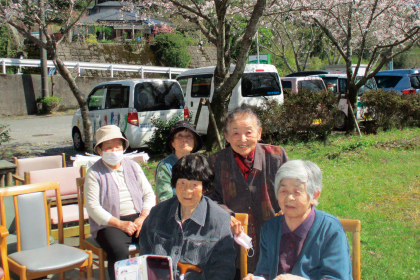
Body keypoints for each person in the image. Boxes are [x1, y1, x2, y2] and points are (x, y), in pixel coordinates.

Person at [208, 104, 289, 274]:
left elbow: (293, 189)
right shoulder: (216, 161)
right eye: (235, 133)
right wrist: (226, 216)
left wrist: (286, 208)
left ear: (259, 133)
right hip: (234, 244)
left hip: (274, 237)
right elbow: (209, 198)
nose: (242, 139)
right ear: (226, 137)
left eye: (248, 132)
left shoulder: (276, 156)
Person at [244, 160, 352, 280]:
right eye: (284, 191)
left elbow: (337, 277)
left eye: (297, 192)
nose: (289, 198)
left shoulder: (331, 230)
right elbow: (264, 271)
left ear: (314, 196)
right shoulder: (270, 228)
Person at [140, 154, 236, 280]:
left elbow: (223, 270)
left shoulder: (219, 220)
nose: (187, 190)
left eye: (194, 184)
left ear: (204, 187)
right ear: (175, 183)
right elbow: (143, 258)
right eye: (182, 183)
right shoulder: (157, 214)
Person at [84, 125, 156, 280]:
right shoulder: (94, 173)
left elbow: (149, 194)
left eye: (118, 146)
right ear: (99, 150)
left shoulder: (133, 166)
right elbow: (92, 207)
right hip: (109, 224)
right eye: (108, 147)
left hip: (138, 218)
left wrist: (143, 217)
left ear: (124, 148)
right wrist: (120, 224)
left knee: (156, 240)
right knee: (118, 251)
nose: (114, 151)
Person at [155, 120, 203, 203]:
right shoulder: (165, 166)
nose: (184, 139)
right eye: (179, 136)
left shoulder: (200, 164)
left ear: (194, 142)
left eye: (189, 136)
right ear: (172, 143)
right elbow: (165, 200)